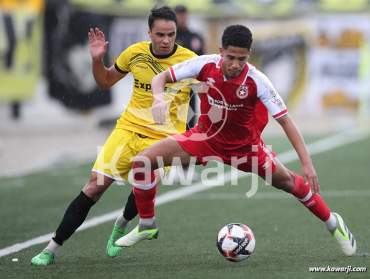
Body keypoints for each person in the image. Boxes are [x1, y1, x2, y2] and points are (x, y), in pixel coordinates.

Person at [115, 25, 357, 257]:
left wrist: (307, 164)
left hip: (246, 149)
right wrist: (158, 100)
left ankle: (334, 223)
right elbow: (160, 78)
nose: (235, 64)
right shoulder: (205, 64)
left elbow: (286, 121)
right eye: (230, 57)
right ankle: (147, 224)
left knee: (290, 184)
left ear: (249, 56)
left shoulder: (257, 80)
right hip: (205, 139)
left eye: (241, 59)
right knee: (142, 162)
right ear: (221, 51)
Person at [31, 6, 197, 266]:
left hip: (164, 138)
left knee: (143, 185)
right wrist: (97, 60)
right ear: (149, 33)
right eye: (160, 34)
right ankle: (51, 248)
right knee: (94, 186)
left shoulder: (189, 61)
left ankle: (121, 224)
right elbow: (105, 82)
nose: (166, 40)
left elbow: (206, 93)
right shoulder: (134, 53)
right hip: (128, 128)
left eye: (171, 35)